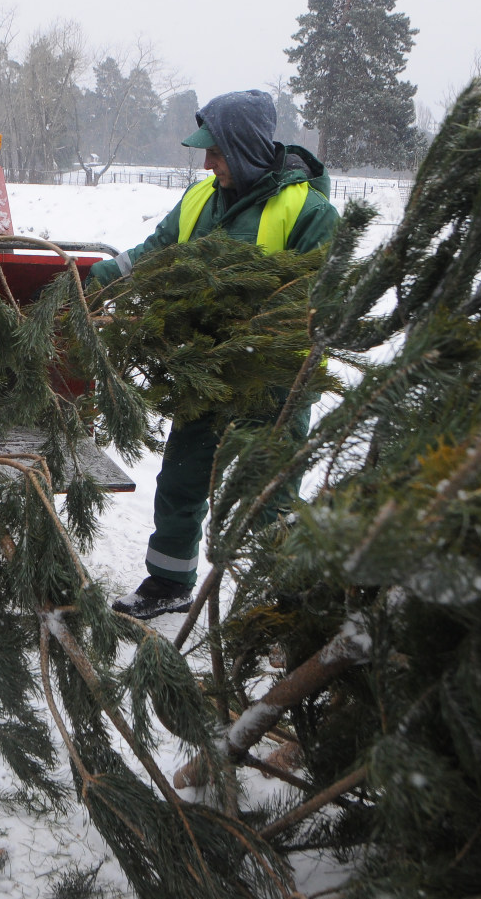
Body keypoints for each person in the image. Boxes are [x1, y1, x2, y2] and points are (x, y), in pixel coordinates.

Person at [87, 89, 341, 620]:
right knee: (181, 478)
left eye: (217, 151)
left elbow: (315, 302)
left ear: (245, 147)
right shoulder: (201, 199)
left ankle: (281, 607)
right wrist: (101, 279)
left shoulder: (309, 212)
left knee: (266, 495)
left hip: (274, 378)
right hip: (204, 368)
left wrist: (245, 327)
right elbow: (157, 252)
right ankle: (168, 582)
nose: (207, 162)